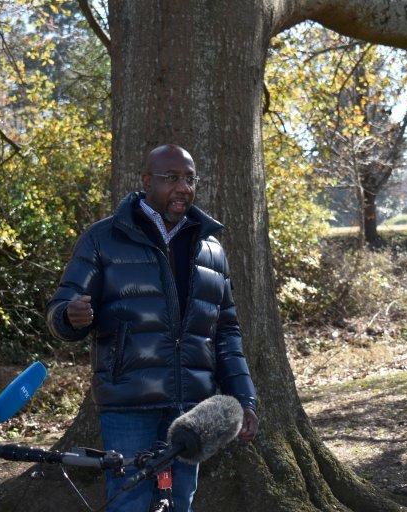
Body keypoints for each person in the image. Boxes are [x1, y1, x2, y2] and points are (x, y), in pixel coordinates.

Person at [46, 144, 258, 512]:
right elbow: (61, 308)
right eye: (171, 178)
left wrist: (245, 399)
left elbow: (226, 333)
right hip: (129, 403)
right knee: (128, 502)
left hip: (192, 405)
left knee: (181, 502)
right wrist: (69, 316)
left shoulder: (211, 248)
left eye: (190, 179)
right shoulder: (103, 238)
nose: (183, 188)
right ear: (146, 181)